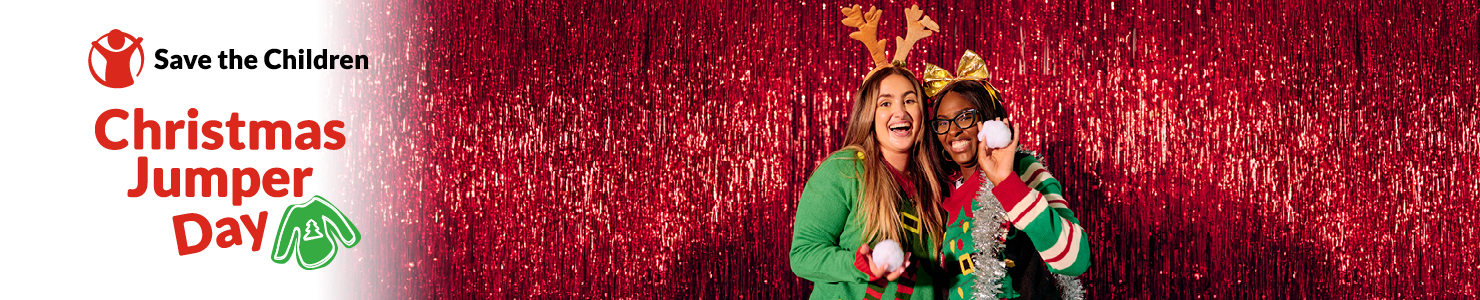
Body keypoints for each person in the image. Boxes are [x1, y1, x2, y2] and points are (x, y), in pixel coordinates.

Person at [790, 5, 947, 300]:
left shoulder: (933, 182)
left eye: (909, 100)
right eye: (885, 103)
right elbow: (803, 255)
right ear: (869, 115)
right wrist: (860, 264)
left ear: (923, 111)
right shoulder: (844, 170)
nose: (900, 112)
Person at [925, 51, 1090, 300]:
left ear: (989, 119)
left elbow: (1076, 259)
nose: (954, 131)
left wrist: (1005, 182)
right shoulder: (943, 196)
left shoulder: (1021, 169)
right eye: (943, 122)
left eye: (965, 117)